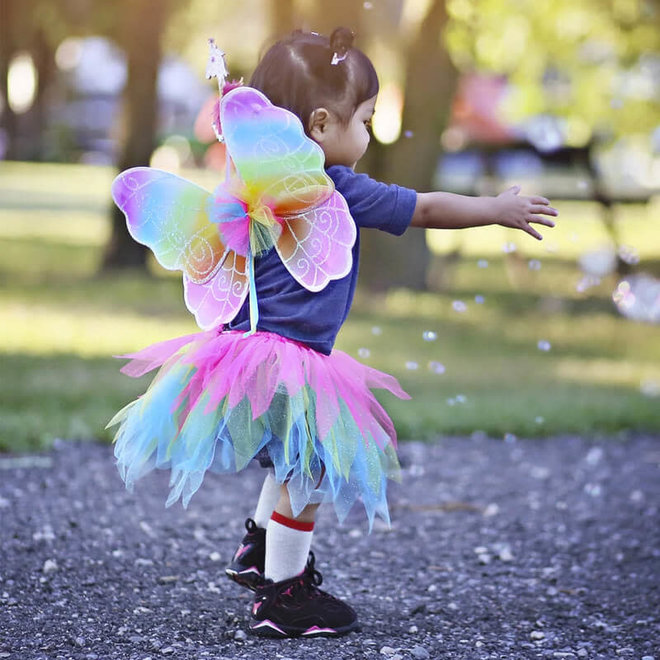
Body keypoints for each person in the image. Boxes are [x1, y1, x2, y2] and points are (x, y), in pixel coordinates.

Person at [109, 27, 557, 639]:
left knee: (292, 460)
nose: (369, 135)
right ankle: (285, 598)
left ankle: (261, 549)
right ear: (321, 125)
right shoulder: (334, 188)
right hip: (291, 360)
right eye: (366, 120)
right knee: (311, 465)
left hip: (242, 352)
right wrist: (494, 210)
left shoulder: (247, 188)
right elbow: (423, 209)